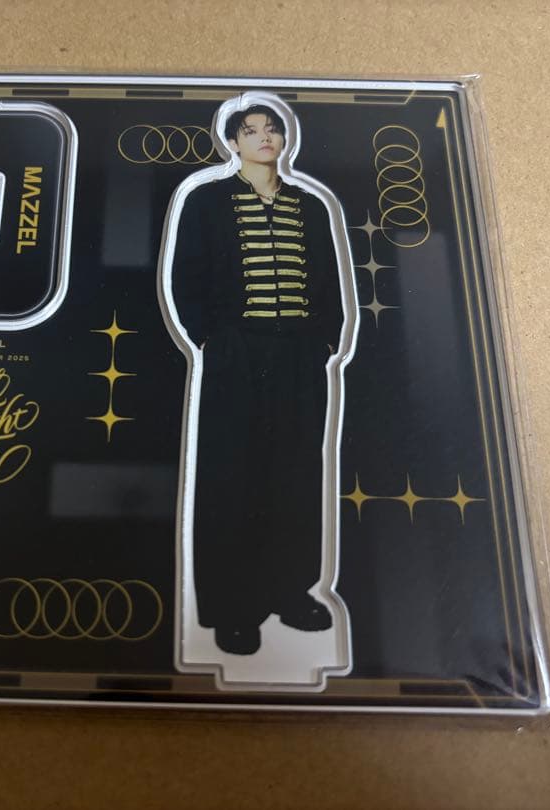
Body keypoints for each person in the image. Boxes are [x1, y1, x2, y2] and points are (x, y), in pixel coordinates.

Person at [167, 103, 347, 656]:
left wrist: (324, 340)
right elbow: (186, 277)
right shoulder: (206, 202)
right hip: (237, 355)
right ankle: (233, 608)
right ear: (233, 142)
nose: (264, 137)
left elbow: (327, 280)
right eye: (251, 130)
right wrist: (213, 340)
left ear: (285, 139)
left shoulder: (309, 206)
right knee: (231, 475)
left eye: (273, 129)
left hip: (298, 357)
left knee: (296, 473)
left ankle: (291, 592)